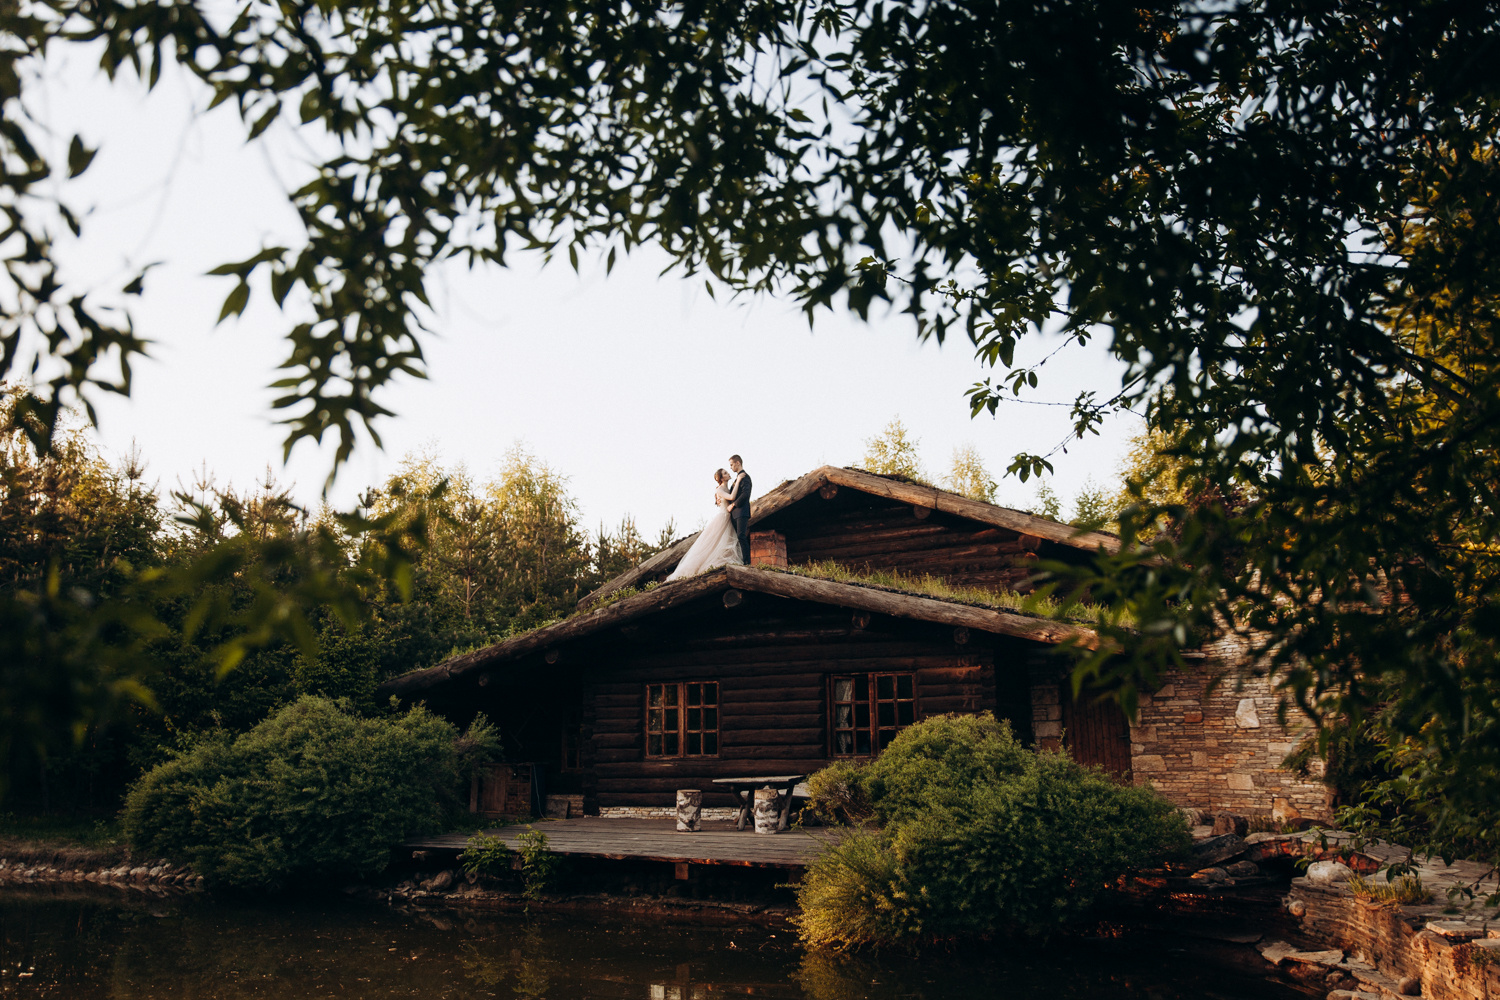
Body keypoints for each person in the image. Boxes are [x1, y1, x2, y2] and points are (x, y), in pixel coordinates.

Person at [664, 469, 743, 580]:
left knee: (725, 542)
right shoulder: (720, 490)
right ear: (721, 478)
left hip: (728, 518)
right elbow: (732, 498)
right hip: (722, 518)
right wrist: (739, 480)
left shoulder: (727, 488)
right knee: (714, 543)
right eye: (725, 473)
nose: (728, 473)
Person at [725, 454, 752, 565]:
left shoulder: (745, 477)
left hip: (741, 511)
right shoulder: (737, 479)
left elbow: (745, 494)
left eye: (731, 465)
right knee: (737, 538)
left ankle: (747, 562)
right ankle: (740, 561)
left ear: (738, 463)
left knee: (741, 536)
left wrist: (733, 505)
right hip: (734, 514)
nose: (730, 467)